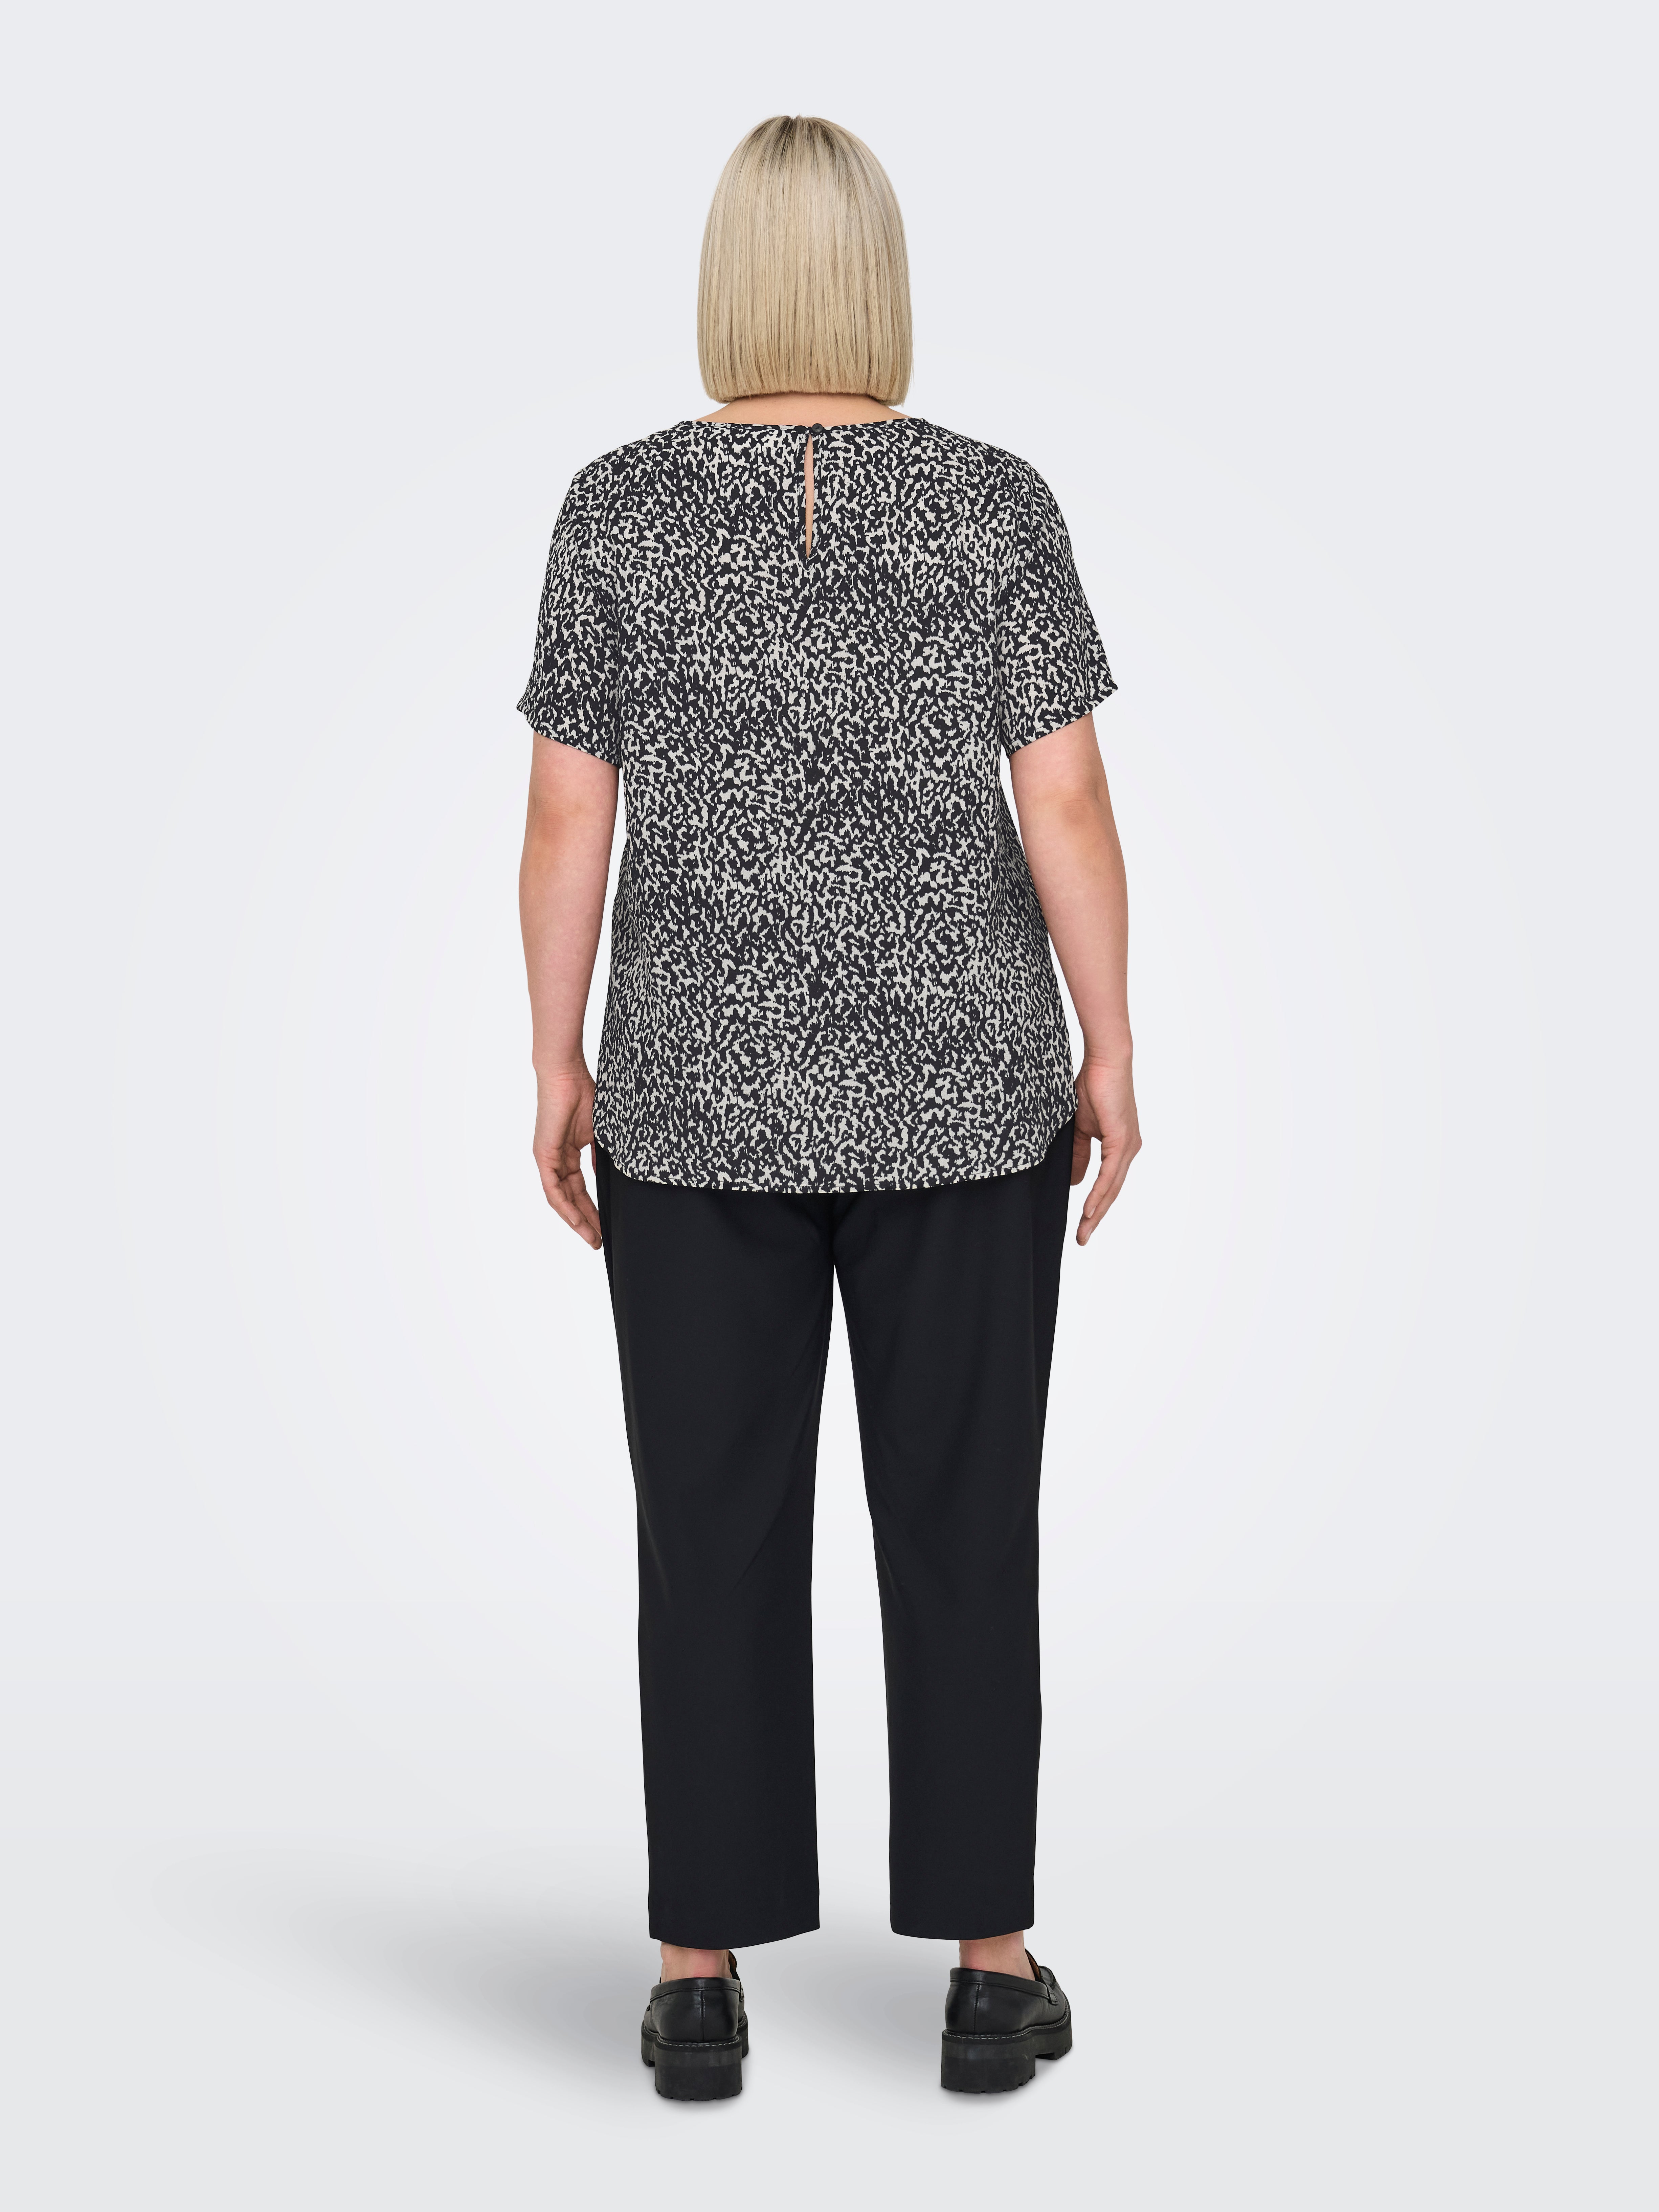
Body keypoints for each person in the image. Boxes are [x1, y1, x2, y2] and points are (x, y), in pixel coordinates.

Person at [516, 114, 1140, 2100]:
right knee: (964, 1521)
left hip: (693, 1100)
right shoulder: (991, 502)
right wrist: (1113, 1040)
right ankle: (988, 1967)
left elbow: (567, 814)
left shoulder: (618, 506)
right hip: (965, 1093)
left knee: (708, 1528)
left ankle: (698, 1977)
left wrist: (555, 1054)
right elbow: (1061, 796)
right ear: (878, 279)